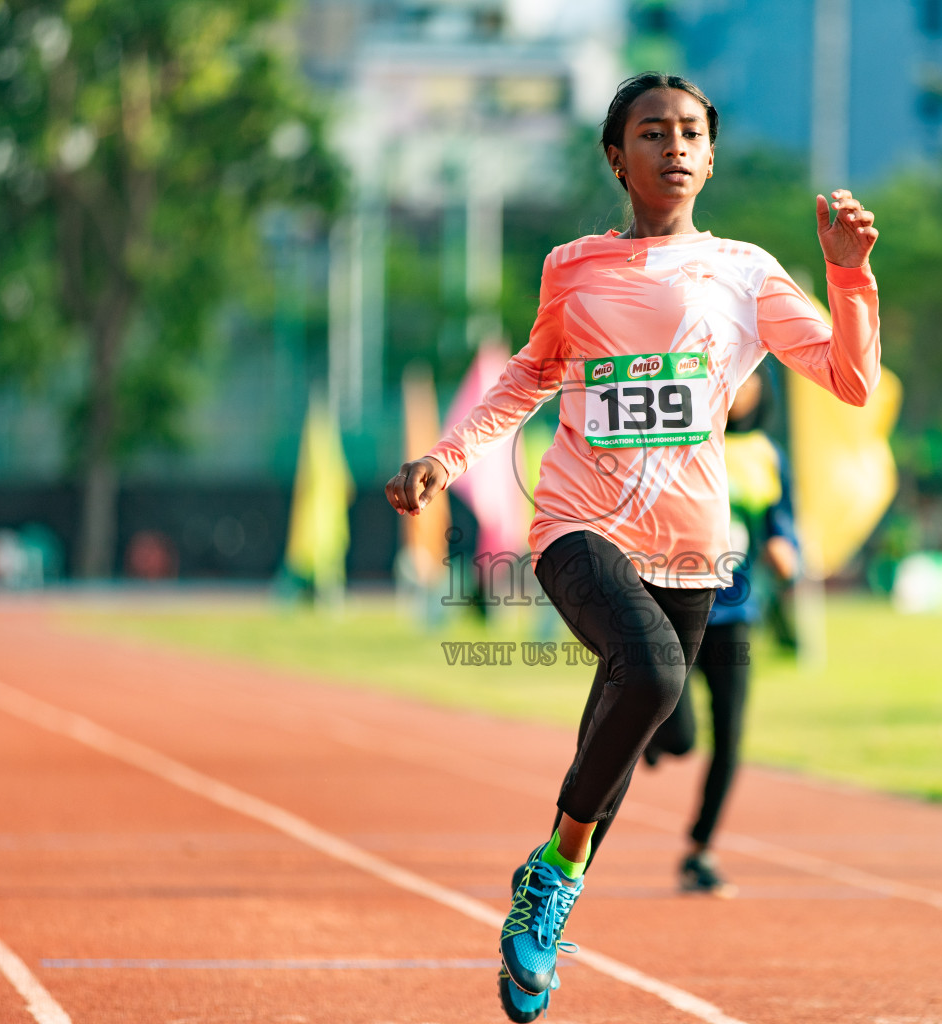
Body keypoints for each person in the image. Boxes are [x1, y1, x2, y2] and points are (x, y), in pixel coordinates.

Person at [384, 72, 881, 1022]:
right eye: (652, 132)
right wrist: (447, 459)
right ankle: (553, 878)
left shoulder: (746, 271)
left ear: (711, 153)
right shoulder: (572, 267)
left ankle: (544, 908)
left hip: (691, 549)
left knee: (614, 740)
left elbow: (851, 380)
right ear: (618, 157)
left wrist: (849, 273)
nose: (675, 147)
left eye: (691, 132)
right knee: (652, 678)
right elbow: (529, 376)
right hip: (576, 523)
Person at [642, 367, 798, 897]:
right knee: (681, 735)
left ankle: (701, 849)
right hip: (676, 604)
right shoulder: (681, 441)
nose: (742, 387)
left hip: (736, 611)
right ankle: (649, 732)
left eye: (752, 378)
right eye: (734, 375)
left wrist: (786, 547)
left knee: (730, 734)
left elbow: (782, 522)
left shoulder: (769, 455)